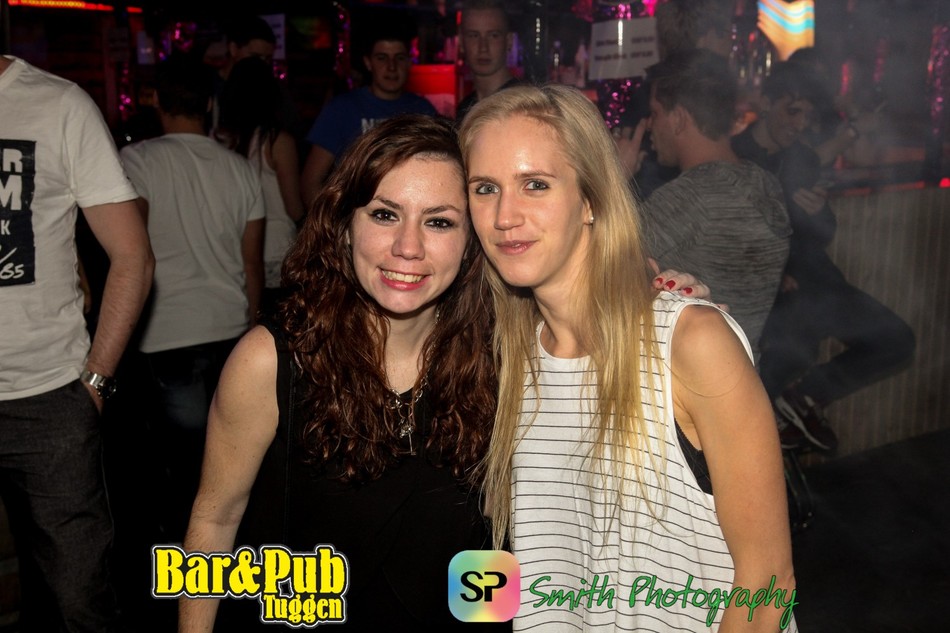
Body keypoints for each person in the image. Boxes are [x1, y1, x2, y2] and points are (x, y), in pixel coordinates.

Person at [459, 84, 797, 631]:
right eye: (484, 188)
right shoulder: (508, 361)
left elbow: (768, 583)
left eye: (535, 184)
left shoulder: (689, 342)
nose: (504, 215)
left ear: (590, 200)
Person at [180, 114, 504, 631]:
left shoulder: (498, 362)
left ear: (472, 242)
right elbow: (215, 520)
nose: (408, 247)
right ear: (345, 224)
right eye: (384, 214)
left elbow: (495, 544)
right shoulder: (273, 361)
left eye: (439, 222)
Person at [0, 55, 155, 631]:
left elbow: (133, 256)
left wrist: (94, 381)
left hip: (48, 397)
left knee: (77, 602)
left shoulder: (58, 104)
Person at [732, 61, 915, 452]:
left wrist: (816, 214)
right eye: (792, 110)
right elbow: (728, 234)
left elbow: (825, 231)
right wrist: (776, 269)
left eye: (807, 115)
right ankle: (758, 440)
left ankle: (803, 398)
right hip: (769, 299)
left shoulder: (801, 157)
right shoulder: (735, 155)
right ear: (766, 103)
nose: (799, 123)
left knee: (898, 340)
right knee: (786, 355)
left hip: (819, 285)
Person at [120, 54, 265, 540]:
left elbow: (131, 248)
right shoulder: (240, 169)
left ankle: (187, 559)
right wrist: (255, 330)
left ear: (158, 103)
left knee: (182, 466)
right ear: (208, 104)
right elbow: (251, 263)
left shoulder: (136, 161)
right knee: (231, 460)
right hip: (229, 328)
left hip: (166, 331)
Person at [637, 49, 790, 360]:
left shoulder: (691, 197)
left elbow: (594, 266)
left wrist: (611, 175)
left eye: (655, 113)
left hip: (691, 378)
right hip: (744, 370)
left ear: (678, 118)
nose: (650, 125)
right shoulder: (765, 183)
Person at [300, 23, 438, 206]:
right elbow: (310, 181)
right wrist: (331, 221)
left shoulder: (423, 110)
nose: (391, 67)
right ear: (368, 63)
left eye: (399, 58)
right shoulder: (342, 108)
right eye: (382, 58)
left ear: (409, 62)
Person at [214, 55, 305, 317]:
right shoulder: (276, 141)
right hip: (276, 250)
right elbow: (293, 206)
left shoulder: (220, 141)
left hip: (234, 251)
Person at [455, 0, 522, 123]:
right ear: (461, 41)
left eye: (493, 36)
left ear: (509, 41)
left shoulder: (524, 103)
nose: (483, 47)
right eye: (474, 36)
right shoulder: (465, 108)